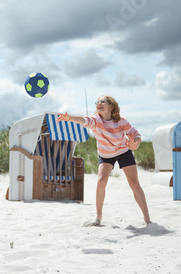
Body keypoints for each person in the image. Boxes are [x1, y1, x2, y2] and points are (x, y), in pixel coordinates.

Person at [57, 95, 151, 226]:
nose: (98, 104)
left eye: (102, 101)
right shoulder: (96, 121)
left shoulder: (121, 121)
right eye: (97, 102)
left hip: (124, 152)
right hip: (106, 155)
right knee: (101, 181)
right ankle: (98, 217)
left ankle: (147, 219)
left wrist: (136, 143)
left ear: (111, 106)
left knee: (134, 184)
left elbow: (135, 134)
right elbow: (84, 120)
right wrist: (70, 118)